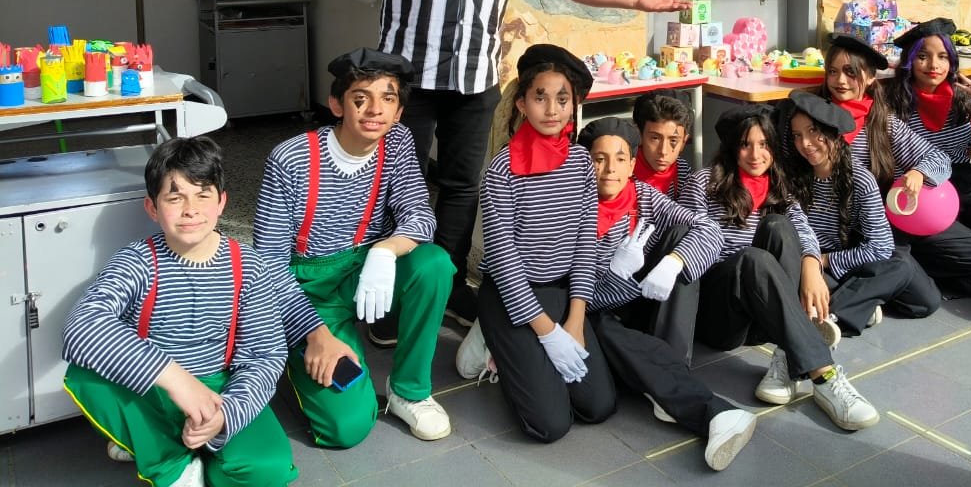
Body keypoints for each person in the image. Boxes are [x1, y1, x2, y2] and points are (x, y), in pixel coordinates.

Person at [252, 0, 688, 326]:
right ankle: (388, 297)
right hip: (405, 83)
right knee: (391, 187)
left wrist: (635, 0)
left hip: (475, 79)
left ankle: (447, 283)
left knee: (461, 188)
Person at [62, 137, 296, 487]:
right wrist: (174, 378)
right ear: (152, 208)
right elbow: (81, 327)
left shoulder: (249, 267)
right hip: (154, 391)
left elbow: (265, 355)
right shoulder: (136, 262)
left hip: (222, 388)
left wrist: (224, 417)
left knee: (269, 469)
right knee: (86, 375)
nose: (190, 209)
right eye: (175, 197)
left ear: (221, 203)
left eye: (203, 195)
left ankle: (191, 446)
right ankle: (174, 466)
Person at [253, 48, 454, 446]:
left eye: (388, 99)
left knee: (433, 264)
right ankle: (291, 357)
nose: (374, 110)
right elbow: (268, 263)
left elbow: (420, 214)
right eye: (360, 99)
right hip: (308, 290)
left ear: (399, 112)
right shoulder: (291, 159)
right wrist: (315, 333)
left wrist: (386, 251)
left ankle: (409, 390)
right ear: (337, 105)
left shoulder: (396, 142)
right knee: (346, 428)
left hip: (367, 268)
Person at [684, 105, 881, 432]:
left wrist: (811, 264)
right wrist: (745, 265)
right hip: (718, 313)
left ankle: (786, 358)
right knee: (752, 259)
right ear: (733, 147)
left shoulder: (777, 182)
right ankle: (825, 376)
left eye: (764, 145)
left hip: (760, 315)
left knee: (778, 225)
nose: (756, 155)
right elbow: (695, 246)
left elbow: (801, 228)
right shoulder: (704, 183)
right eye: (746, 144)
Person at [577, 117, 755, 471]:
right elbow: (578, 298)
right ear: (585, 162)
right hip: (598, 308)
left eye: (620, 158)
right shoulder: (571, 208)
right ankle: (711, 409)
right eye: (599, 159)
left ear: (631, 164)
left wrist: (674, 261)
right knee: (597, 326)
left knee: (681, 235)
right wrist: (615, 273)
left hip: (644, 304)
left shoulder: (643, 196)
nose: (610, 169)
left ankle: (672, 375)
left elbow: (708, 230)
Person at [473, 44, 614, 443]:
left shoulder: (581, 163)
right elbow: (502, 260)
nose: (552, 109)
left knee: (598, 406)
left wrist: (574, 318)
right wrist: (547, 333)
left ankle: (526, 351)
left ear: (573, 105)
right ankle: (496, 345)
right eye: (540, 97)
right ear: (521, 104)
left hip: (560, 293)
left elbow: (587, 243)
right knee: (551, 426)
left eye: (562, 99)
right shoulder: (502, 170)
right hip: (509, 294)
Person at [818, 36, 971, 300]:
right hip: (827, 229)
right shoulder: (815, 119)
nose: (840, 81)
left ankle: (860, 291)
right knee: (912, 287)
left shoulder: (881, 122)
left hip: (872, 229)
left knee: (934, 295)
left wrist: (918, 172)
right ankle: (851, 294)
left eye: (850, 72)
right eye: (832, 72)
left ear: (870, 78)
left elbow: (938, 158)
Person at [777, 89, 937, 339]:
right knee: (815, 289)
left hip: (849, 257)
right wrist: (814, 263)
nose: (805, 144)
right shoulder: (792, 179)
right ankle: (837, 318)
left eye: (813, 131)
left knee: (921, 296)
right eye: (797, 136)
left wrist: (827, 260)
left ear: (832, 132)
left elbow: (881, 248)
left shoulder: (861, 179)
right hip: (810, 263)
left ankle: (857, 303)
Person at [883, 18, 971, 285]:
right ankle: (917, 262)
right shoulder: (893, 101)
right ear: (909, 61)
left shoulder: (967, 98)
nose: (933, 65)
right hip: (922, 193)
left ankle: (964, 250)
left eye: (942, 57)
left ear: (952, 61)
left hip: (967, 186)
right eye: (923, 57)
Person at [631, 91, 695, 199]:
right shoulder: (623, 174)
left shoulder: (683, 174)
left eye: (673, 140)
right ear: (639, 135)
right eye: (655, 138)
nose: (663, 151)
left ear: (684, 141)